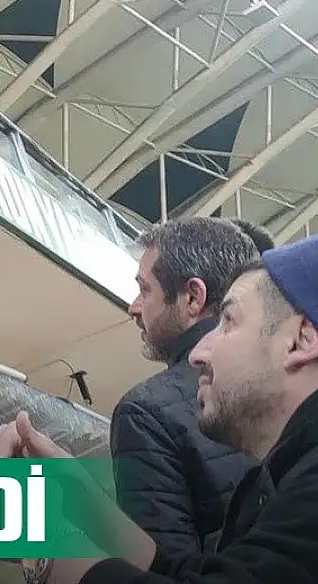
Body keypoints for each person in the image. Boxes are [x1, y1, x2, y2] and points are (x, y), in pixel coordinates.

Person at [0, 227, 318, 583]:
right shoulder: (309, 473)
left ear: (301, 340)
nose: (199, 353)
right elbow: (186, 572)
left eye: (228, 321)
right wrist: (81, 498)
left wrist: (36, 540)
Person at [112, 218, 261, 560]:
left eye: (144, 290)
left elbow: (161, 569)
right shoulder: (289, 381)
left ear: (193, 297)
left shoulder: (146, 413)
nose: (134, 307)